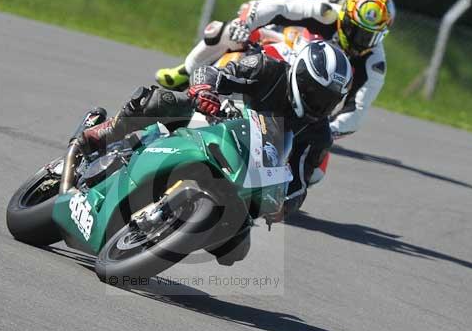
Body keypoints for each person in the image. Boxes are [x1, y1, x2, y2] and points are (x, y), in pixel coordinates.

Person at [75, 40, 352, 222]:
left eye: (329, 100)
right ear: (300, 76)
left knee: (238, 244)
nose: (320, 104)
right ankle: (107, 132)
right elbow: (211, 73)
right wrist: (205, 90)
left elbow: (299, 184)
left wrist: (283, 205)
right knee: (161, 101)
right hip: (212, 121)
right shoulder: (266, 68)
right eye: (316, 93)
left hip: (246, 170)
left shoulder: (319, 134)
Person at [156, 0, 395, 149]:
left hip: (313, 83)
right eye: (358, 32)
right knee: (225, 30)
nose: (361, 42)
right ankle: (187, 71)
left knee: (315, 171)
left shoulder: (375, 62)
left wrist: (326, 130)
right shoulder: (325, 12)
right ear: (345, 18)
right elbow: (277, 6)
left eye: (371, 37)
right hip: (285, 43)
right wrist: (245, 24)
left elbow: (357, 111)